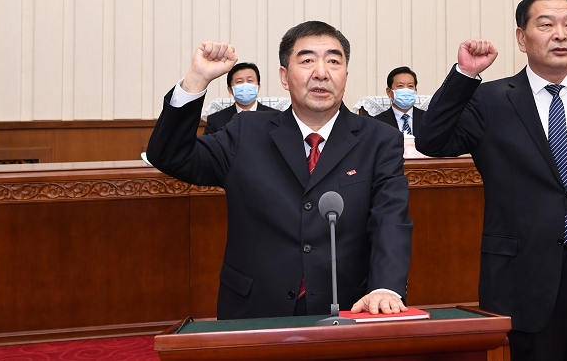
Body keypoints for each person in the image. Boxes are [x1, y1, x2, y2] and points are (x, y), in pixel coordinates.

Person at [416, 0, 567, 361]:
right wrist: (465, 75)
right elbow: (432, 140)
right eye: (546, 25)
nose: (561, 34)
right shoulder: (490, 99)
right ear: (521, 37)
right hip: (522, 275)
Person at [146, 21, 413, 320]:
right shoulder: (245, 132)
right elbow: (170, 155)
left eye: (334, 61)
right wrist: (196, 80)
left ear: (345, 76)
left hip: (348, 306)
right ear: (284, 77)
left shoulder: (379, 140)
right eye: (307, 60)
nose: (321, 72)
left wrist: (386, 288)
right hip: (255, 309)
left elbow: (390, 219)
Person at [203, 62, 276, 134]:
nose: (245, 85)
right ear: (230, 89)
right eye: (239, 81)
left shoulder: (275, 117)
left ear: (258, 87)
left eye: (250, 81)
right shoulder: (215, 120)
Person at [373, 66, 425, 135]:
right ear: (389, 92)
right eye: (400, 86)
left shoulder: (428, 118)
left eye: (410, 86)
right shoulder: (377, 122)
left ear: (415, 90)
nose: (406, 91)